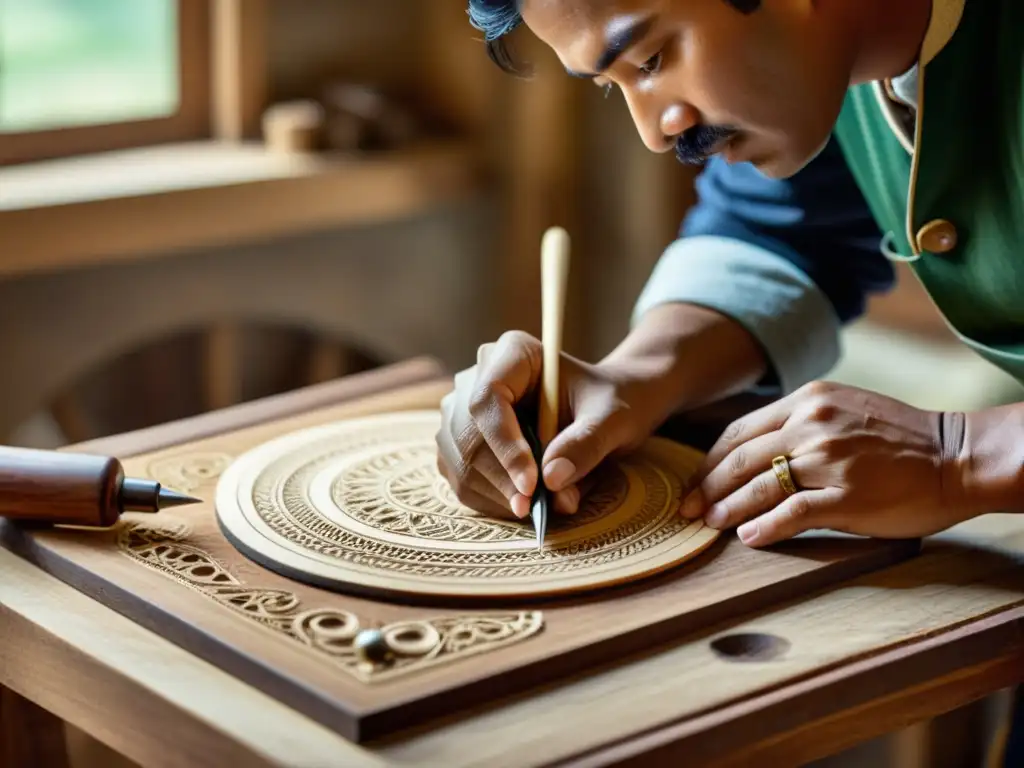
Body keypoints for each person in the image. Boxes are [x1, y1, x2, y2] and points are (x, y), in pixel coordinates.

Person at [435, 0, 1024, 761]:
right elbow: (779, 227)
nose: (656, 131)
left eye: (649, 61)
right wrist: (634, 377)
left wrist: (961, 455)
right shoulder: (837, 65)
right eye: (614, 86)